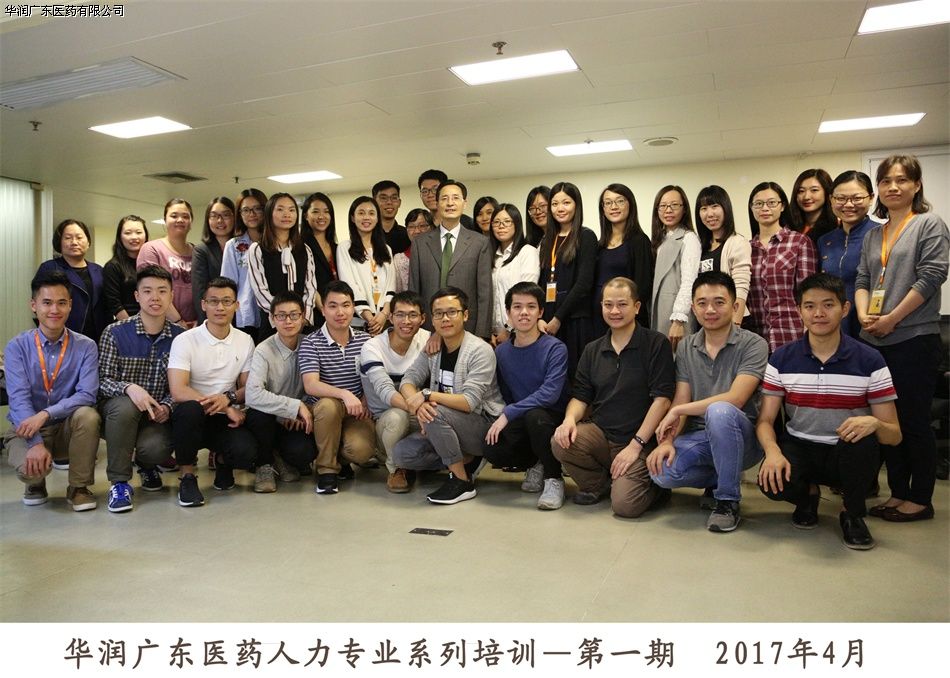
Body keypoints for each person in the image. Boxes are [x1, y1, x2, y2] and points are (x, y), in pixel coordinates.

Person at [758, 273, 901, 549]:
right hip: (801, 445)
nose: (818, 314)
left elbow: (894, 435)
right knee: (771, 481)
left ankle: (852, 512)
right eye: (809, 306)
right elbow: (765, 419)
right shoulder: (781, 358)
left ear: (845, 309)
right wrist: (772, 452)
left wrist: (874, 423)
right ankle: (808, 496)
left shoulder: (870, 359)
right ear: (799, 310)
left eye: (828, 305)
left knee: (864, 443)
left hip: (846, 451)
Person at [855, 154, 949, 522]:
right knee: (886, 421)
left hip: (914, 338)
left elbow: (931, 277)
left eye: (902, 180)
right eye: (886, 181)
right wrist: (863, 314)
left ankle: (921, 498)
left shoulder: (928, 223)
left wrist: (892, 319)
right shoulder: (873, 234)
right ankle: (897, 492)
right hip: (875, 341)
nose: (893, 187)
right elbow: (863, 279)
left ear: (916, 185)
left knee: (914, 421)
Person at [646, 271, 768, 532]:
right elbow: (681, 397)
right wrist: (667, 441)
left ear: (735, 306)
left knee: (720, 411)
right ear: (693, 308)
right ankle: (720, 478)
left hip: (741, 437)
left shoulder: (754, 344)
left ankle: (727, 500)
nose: (710, 310)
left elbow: (736, 399)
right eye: (702, 303)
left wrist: (678, 410)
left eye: (719, 302)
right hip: (700, 436)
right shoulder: (687, 346)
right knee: (661, 472)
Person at [552, 277, 675, 517]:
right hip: (602, 434)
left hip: (641, 440)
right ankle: (598, 485)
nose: (614, 311)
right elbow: (580, 397)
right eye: (608, 305)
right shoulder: (593, 349)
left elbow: (662, 400)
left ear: (637, 307)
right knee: (561, 441)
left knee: (625, 506)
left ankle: (657, 487)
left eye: (622, 304)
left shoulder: (656, 344)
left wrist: (636, 445)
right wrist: (568, 420)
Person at [393, 287, 505, 504]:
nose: (445, 318)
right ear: (432, 320)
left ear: (465, 315)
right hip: (445, 422)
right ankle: (467, 460)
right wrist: (419, 405)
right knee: (402, 454)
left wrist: (427, 395)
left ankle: (461, 481)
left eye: (452, 312)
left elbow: (469, 402)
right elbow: (408, 381)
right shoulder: (434, 347)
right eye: (438, 313)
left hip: (483, 427)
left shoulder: (480, 350)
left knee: (434, 412)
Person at [3, 270, 100, 511]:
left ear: (70, 306)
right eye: (46, 303)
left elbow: (87, 394)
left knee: (88, 415)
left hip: (66, 428)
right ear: (33, 305)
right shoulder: (17, 347)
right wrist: (35, 442)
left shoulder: (86, 346)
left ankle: (78, 488)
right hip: (26, 429)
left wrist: (46, 414)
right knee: (31, 470)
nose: (54, 310)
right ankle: (35, 484)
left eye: (61, 303)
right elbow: (18, 399)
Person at [98, 266, 185, 512]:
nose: (155, 297)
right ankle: (119, 483)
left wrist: (168, 406)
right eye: (147, 291)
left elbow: (186, 384)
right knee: (125, 406)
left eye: (162, 291)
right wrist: (129, 388)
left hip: (156, 416)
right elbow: (101, 381)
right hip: (118, 413)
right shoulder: (114, 332)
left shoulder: (181, 337)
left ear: (171, 296)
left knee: (155, 449)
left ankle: (147, 465)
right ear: (137, 296)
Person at [167, 277, 258, 507]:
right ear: (203, 304)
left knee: (247, 451)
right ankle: (187, 477)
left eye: (227, 301)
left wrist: (228, 400)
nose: (220, 307)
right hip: (193, 414)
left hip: (225, 417)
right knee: (189, 410)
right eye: (213, 301)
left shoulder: (245, 340)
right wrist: (225, 406)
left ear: (237, 305)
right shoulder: (185, 340)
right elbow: (178, 390)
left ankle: (222, 461)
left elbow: (248, 387)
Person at [483, 282, 570, 509]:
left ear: (540, 312)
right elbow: (505, 392)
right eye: (517, 307)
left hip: (552, 417)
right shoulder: (502, 352)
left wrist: (509, 413)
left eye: (531, 307)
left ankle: (553, 478)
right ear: (508, 313)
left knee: (536, 417)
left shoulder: (555, 348)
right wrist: (506, 415)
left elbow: (549, 394)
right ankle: (536, 462)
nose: (524, 312)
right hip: (522, 416)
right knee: (491, 446)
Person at [299, 280, 376, 495]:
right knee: (328, 406)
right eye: (333, 306)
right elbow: (311, 384)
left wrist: (366, 398)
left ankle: (340, 460)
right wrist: (344, 394)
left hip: (356, 410)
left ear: (353, 308)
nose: (340, 312)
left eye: (346, 305)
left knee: (361, 451)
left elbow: (374, 376)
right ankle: (327, 471)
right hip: (325, 409)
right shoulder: (311, 342)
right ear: (323, 310)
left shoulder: (366, 341)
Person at [243, 291, 317, 492]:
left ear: (303, 316)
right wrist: (292, 407)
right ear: (272, 318)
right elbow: (253, 394)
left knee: (304, 453)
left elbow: (317, 384)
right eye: (281, 316)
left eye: (294, 315)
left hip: (296, 419)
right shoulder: (263, 350)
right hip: (268, 417)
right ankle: (264, 464)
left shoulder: (310, 345)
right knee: (259, 415)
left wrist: (304, 407)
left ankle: (280, 456)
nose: (288, 321)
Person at [359, 290, 431, 493]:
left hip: (418, 417)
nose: (406, 321)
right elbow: (384, 390)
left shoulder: (429, 340)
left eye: (412, 315)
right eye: (400, 315)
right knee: (397, 417)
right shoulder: (372, 347)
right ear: (390, 317)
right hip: (387, 422)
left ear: (423, 319)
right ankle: (396, 467)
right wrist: (417, 408)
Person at [409, 179, 493, 337]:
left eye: (455, 198)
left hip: (468, 328)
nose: (450, 203)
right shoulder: (420, 243)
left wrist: (482, 334)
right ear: (437, 203)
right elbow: (414, 290)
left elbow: (485, 293)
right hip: (428, 329)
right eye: (444, 198)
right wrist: (416, 331)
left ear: (464, 203)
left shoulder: (479, 242)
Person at [745, 182, 817, 353]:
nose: (765, 208)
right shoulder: (746, 248)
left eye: (771, 203)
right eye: (758, 204)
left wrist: (810, 333)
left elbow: (809, 293)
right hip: (755, 341)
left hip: (793, 336)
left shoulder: (799, 242)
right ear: (752, 208)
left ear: (782, 206)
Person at [537, 181, 598, 374]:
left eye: (566, 202)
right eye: (555, 204)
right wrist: (541, 317)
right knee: (551, 373)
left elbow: (584, 283)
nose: (560, 208)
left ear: (576, 205)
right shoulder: (548, 239)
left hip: (574, 319)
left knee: (575, 374)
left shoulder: (586, 236)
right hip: (548, 319)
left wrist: (558, 317)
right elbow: (542, 281)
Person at [247, 193, 318, 342]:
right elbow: (260, 291)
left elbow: (310, 287)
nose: (287, 214)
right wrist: (282, 317)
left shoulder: (305, 249)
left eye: (291, 210)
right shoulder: (257, 249)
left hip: (302, 323)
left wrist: (301, 317)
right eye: (280, 209)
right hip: (272, 325)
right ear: (269, 214)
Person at [817, 171, 876, 338]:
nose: (848, 204)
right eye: (840, 198)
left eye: (857, 198)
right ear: (831, 199)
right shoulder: (825, 240)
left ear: (871, 198)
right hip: (834, 325)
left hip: (871, 323)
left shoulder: (880, 234)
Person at [36, 219, 108, 341]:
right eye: (68, 238)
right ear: (59, 242)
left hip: (98, 337)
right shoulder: (49, 268)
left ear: (88, 242)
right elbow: (40, 302)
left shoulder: (99, 270)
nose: (74, 242)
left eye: (79, 237)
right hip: (62, 336)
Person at [595, 183, 653, 332]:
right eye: (608, 203)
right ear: (603, 209)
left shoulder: (639, 241)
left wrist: (622, 310)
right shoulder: (599, 245)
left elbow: (643, 286)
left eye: (620, 201)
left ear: (630, 204)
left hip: (627, 320)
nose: (614, 207)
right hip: (600, 319)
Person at [650, 185, 700, 351]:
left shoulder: (688, 238)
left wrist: (679, 319)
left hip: (676, 317)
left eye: (674, 205)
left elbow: (689, 282)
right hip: (659, 311)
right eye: (663, 206)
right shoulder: (660, 240)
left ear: (684, 209)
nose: (668, 210)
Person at [336, 196, 395, 336]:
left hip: (385, 320)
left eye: (371, 213)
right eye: (361, 213)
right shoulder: (345, 248)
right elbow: (349, 284)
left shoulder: (386, 249)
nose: (366, 217)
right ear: (352, 217)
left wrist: (384, 315)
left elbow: (391, 284)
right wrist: (370, 319)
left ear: (377, 218)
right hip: (360, 323)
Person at [694, 185, 751, 325]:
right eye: (704, 208)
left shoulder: (738, 243)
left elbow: (741, 288)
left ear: (726, 208)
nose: (710, 214)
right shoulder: (698, 247)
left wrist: (734, 328)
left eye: (715, 206)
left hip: (730, 322)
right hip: (707, 321)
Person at [137, 198, 196, 328]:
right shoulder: (152, 249)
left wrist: (199, 321)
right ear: (165, 220)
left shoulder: (197, 252)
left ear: (191, 222)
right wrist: (178, 322)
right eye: (174, 216)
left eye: (185, 216)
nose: (180, 220)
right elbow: (152, 290)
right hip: (161, 325)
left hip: (195, 326)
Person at [488, 203, 540, 344]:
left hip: (518, 330)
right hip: (493, 334)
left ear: (516, 224)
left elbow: (527, 294)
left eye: (507, 221)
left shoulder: (527, 252)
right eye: (496, 222)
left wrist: (508, 328)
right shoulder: (491, 256)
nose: (501, 226)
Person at [221, 188, 267, 339]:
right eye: (246, 210)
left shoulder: (275, 242)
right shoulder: (233, 245)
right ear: (239, 214)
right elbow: (228, 284)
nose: (252, 214)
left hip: (274, 311)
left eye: (257, 209)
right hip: (246, 313)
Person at [192, 196, 236, 322]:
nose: (220, 220)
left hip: (242, 317)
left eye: (225, 215)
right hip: (214, 318)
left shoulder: (243, 247)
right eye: (214, 216)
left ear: (234, 218)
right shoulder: (201, 250)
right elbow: (199, 292)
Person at [300, 191, 338, 327]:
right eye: (315, 211)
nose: (321, 216)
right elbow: (305, 282)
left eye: (326, 212)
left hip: (338, 311)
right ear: (306, 215)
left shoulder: (337, 247)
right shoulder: (300, 246)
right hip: (316, 312)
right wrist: (323, 309)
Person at [102, 215, 149, 321]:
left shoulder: (151, 263)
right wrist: (131, 326)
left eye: (138, 232)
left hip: (154, 321)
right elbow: (114, 304)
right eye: (128, 233)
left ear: (145, 235)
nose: (134, 237)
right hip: (127, 323)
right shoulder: (113, 266)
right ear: (120, 237)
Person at [789, 169, 836, 243]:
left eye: (814, 190)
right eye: (801, 191)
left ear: (827, 192)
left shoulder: (838, 227)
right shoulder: (787, 227)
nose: (806, 197)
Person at [394, 209, 434, 293]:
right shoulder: (399, 259)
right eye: (411, 227)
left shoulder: (439, 255)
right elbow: (397, 293)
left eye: (422, 226)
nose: (417, 231)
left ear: (431, 228)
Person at [372, 180, 410, 255]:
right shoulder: (366, 234)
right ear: (374, 202)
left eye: (394, 198)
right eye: (383, 198)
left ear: (399, 203)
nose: (389, 202)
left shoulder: (407, 235)